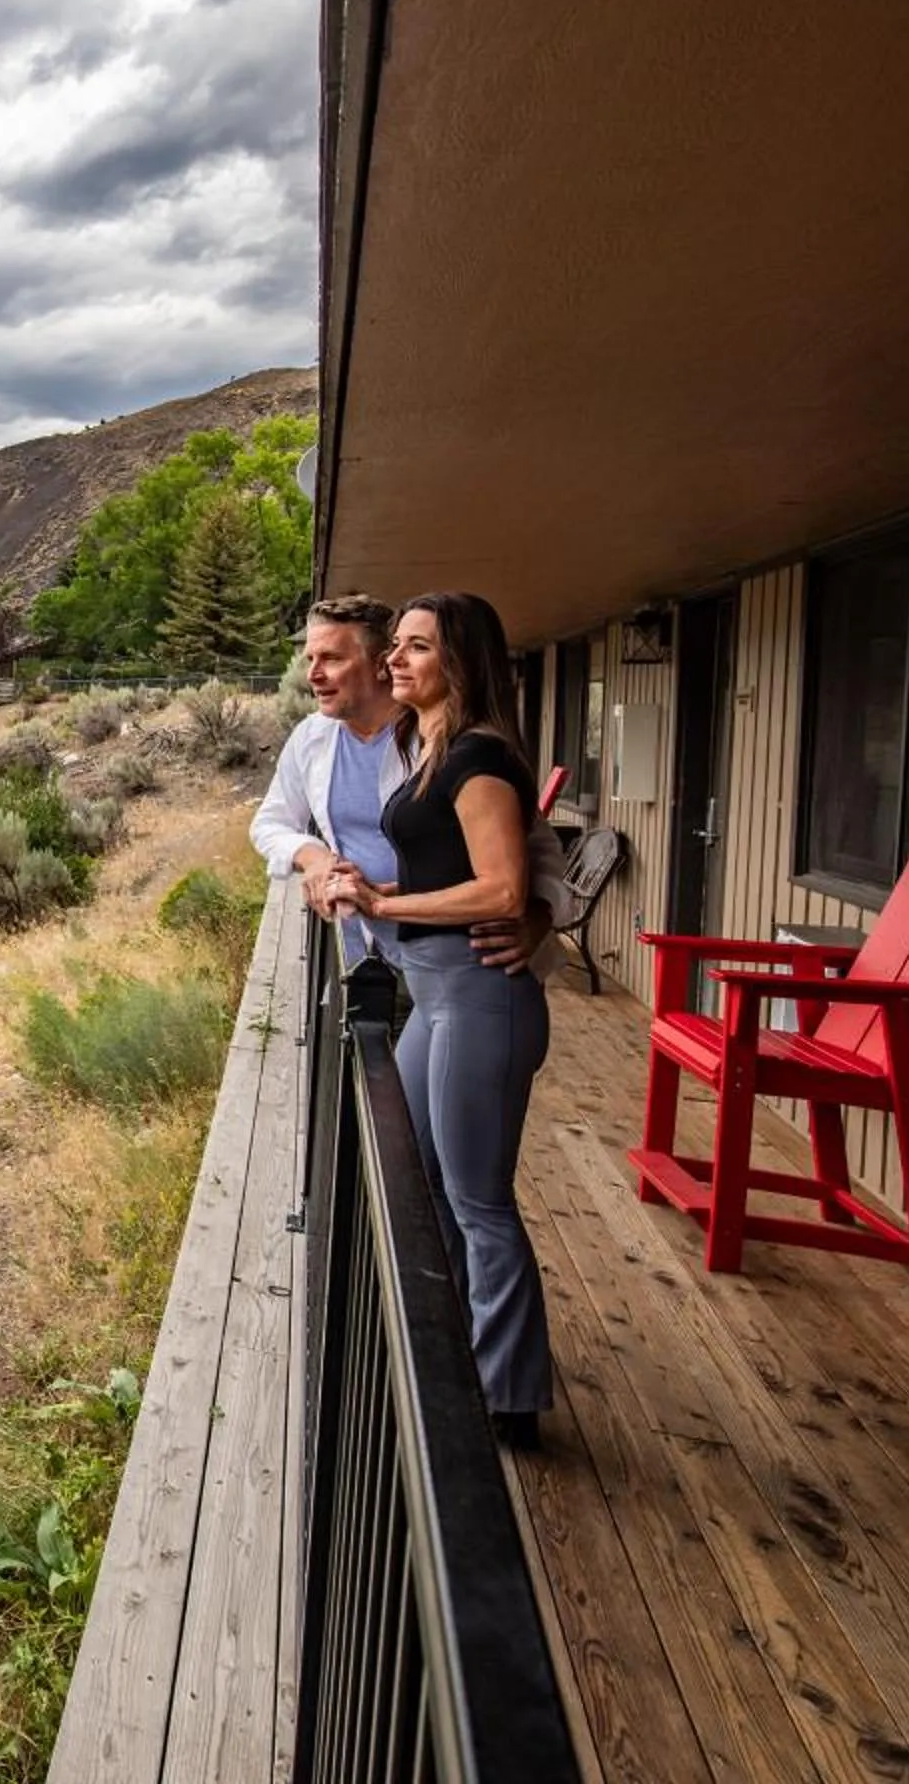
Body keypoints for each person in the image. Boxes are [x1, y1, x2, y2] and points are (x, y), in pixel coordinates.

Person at [327, 592, 554, 1447]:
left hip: (478, 999)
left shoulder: (480, 760)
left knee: (478, 1202)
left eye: (416, 648)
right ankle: (459, 1353)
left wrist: (387, 899)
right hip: (436, 994)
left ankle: (509, 1400)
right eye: (396, 646)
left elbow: (503, 888)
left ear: (458, 660)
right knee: (420, 1179)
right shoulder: (432, 749)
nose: (397, 660)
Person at [251, 594, 576, 976]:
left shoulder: (447, 741)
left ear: (379, 665)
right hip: (367, 958)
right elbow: (269, 823)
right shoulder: (311, 738)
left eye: (332, 659)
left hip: (468, 959)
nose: (313, 674)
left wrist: (539, 914)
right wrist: (314, 856)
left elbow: (537, 851)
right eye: (311, 660)